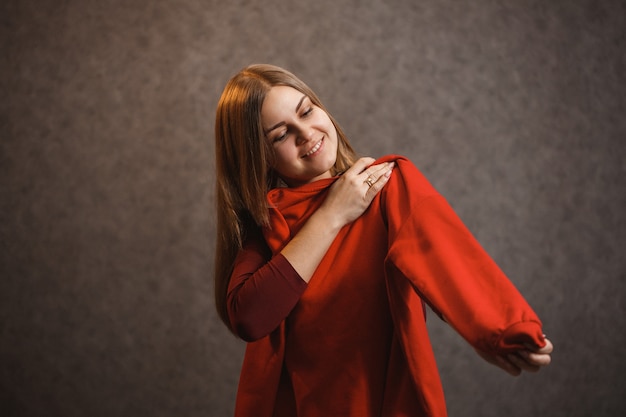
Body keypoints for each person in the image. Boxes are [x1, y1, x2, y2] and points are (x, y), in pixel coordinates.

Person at [213, 64, 553, 417]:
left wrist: (489, 331)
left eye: (307, 110)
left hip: (384, 402)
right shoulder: (267, 227)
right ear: (259, 157)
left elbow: (443, 259)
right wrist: (332, 215)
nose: (306, 133)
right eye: (280, 135)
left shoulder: (387, 186)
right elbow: (249, 318)